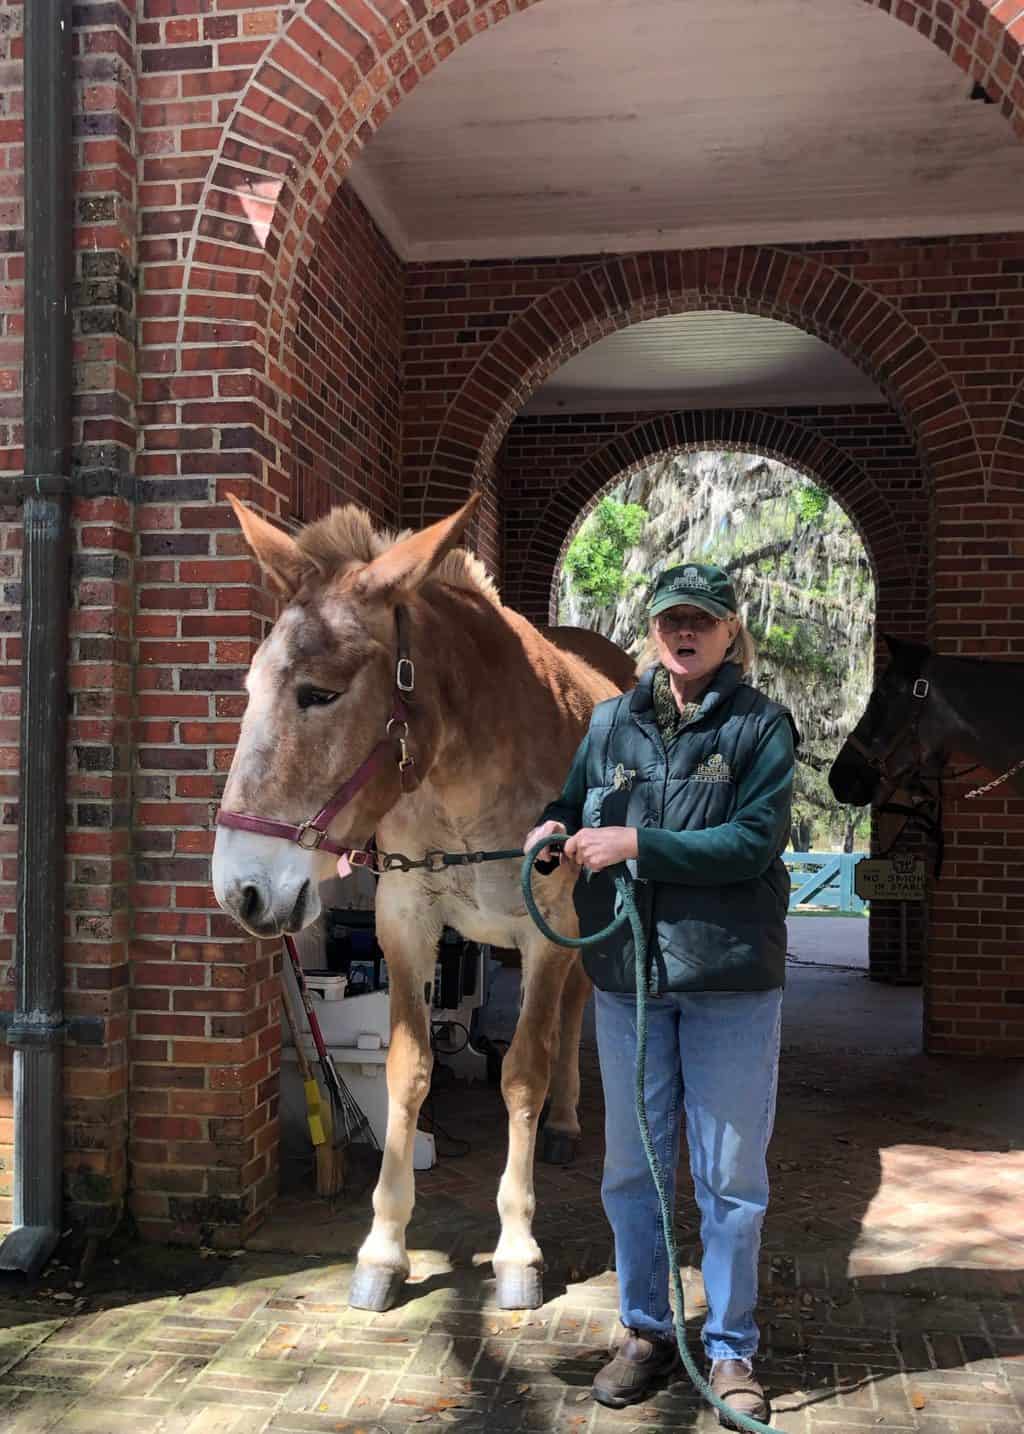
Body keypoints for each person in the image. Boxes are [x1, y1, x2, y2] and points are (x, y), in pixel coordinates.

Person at [525, 562, 797, 1423]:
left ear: (729, 632)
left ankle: (730, 1349)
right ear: (654, 632)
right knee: (632, 1172)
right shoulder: (609, 723)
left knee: (728, 1179)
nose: (686, 633)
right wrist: (552, 832)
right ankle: (643, 1330)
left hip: (728, 978)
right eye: (672, 619)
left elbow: (752, 842)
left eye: (703, 621)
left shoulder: (761, 727)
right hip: (628, 979)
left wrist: (636, 845)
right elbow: (572, 804)